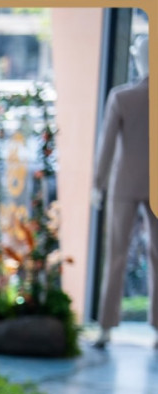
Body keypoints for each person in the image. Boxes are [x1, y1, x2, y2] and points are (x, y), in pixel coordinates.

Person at [93, 34, 156, 348]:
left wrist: (98, 184)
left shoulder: (122, 97)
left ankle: (105, 327)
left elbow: (106, 147)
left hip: (124, 183)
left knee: (116, 254)